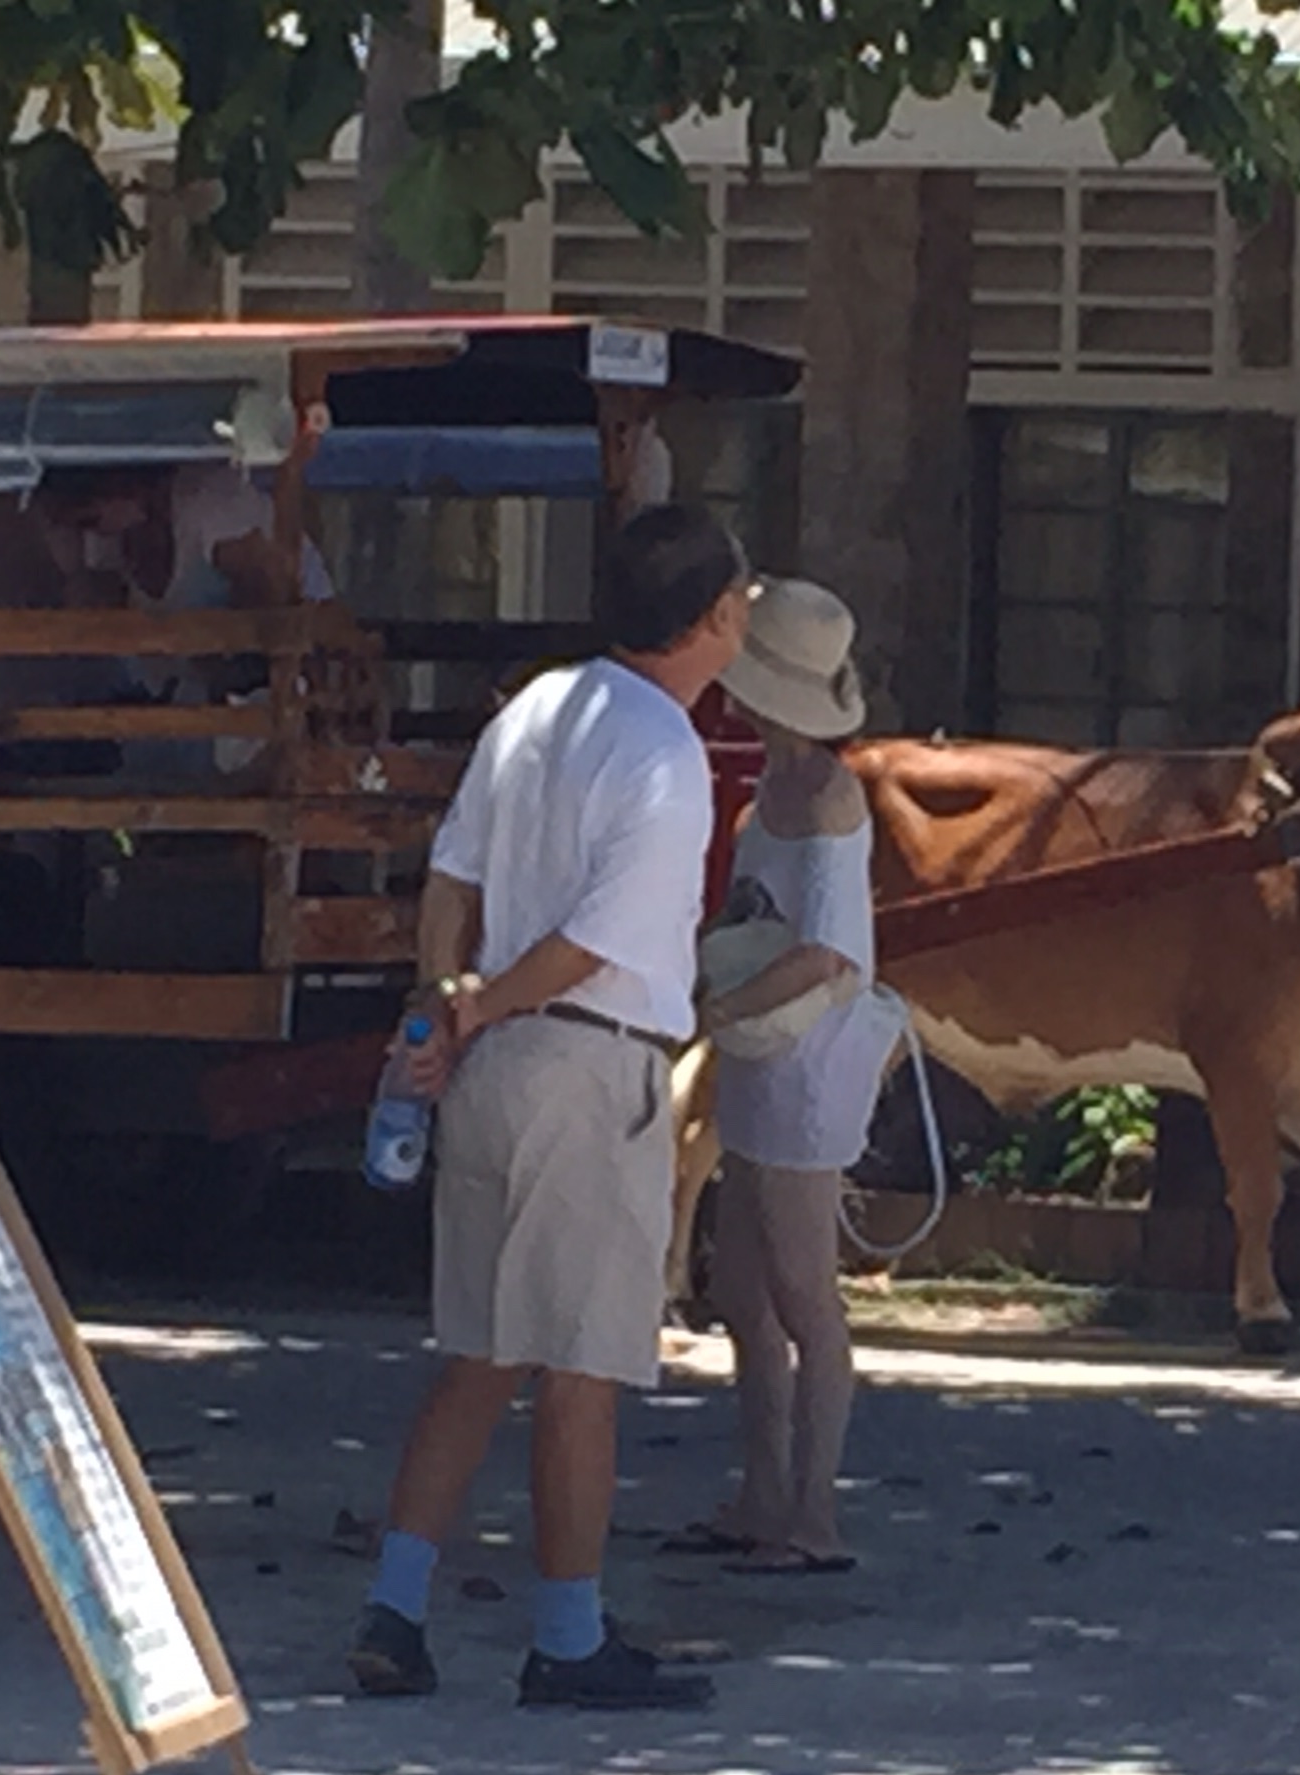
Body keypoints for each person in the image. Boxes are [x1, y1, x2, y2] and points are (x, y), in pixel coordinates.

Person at [346, 502, 752, 1708]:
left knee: (478, 1350)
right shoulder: (668, 753)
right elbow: (594, 944)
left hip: (492, 1073)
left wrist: (440, 1006)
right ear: (714, 617)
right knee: (582, 1364)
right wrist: (481, 1004)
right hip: (586, 1059)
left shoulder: (535, 707)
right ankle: (568, 1638)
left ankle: (396, 1606)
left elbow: (453, 873)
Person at [668, 579, 902, 1575]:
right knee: (745, 1286)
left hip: (806, 1055)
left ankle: (814, 1513)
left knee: (806, 1292)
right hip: (764, 1045)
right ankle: (764, 1494)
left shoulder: (832, 797)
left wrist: (716, 1009)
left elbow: (830, 952)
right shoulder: (776, 784)